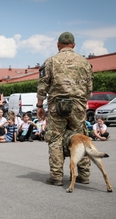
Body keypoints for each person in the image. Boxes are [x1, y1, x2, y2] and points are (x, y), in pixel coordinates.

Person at [37, 31, 93, 186]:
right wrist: (83, 102)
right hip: (78, 106)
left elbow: (42, 86)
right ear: (74, 45)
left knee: (55, 138)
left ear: (58, 45)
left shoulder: (51, 61)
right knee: (80, 138)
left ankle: (56, 176)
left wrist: (40, 105)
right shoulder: (84, 62)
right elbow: (89, 88)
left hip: (57, 106)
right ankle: (83, 175)